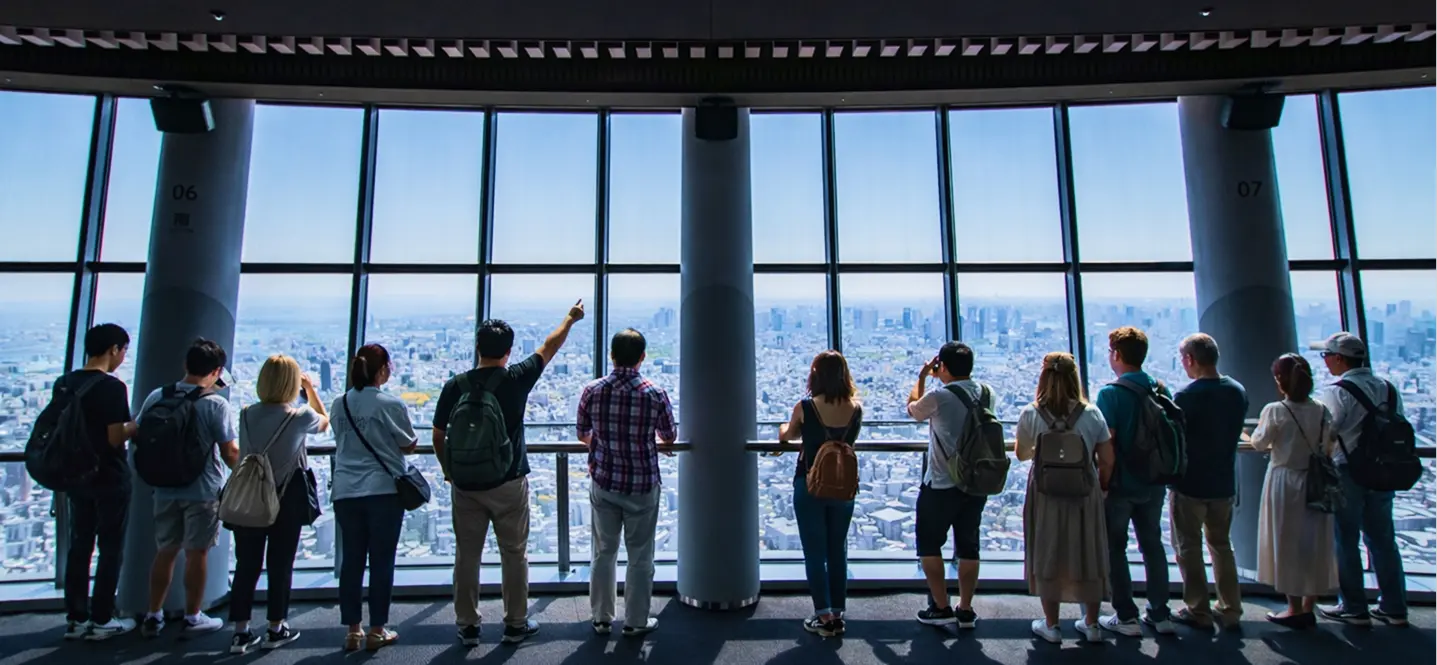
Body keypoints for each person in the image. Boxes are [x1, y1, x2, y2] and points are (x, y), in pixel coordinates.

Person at [433, 302, 585, 646]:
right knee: (514, 553)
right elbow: (549, 346)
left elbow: (439, 435)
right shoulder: (516, 378)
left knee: (467, 555)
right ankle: (515, 623)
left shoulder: (455, 386)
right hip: (509, 482)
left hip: (465, 485)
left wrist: (449, 470)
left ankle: (468, 625)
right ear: (509, 351)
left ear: (477, 347)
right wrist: (570, 318)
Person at [227, 354, 330, 654]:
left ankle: (240, 632)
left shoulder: (246, 413)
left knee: (246, 564)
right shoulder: (299, 416)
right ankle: (276, 627)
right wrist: (310, 390)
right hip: (287, 497)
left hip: (250, 495)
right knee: (280, 563)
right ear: (291, 383)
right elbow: (324, 423)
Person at [577, 328, 677, 638]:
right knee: (640, 556)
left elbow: (582, 433)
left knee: (603, 552)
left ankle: (601, 618)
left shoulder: (592, 390)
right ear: (642, 357)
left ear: (611, 355)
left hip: (604, 481)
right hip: (642, 483)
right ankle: (635, 621)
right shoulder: (655, 393)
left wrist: (605, 444)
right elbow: (669, 435)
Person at [139, 339, 239, 638]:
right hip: (202, 490)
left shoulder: (158, 395)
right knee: (198, 554)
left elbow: (141, 432)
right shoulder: (215, 404)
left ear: (186, 364)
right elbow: (229, 451)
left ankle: (153, 614)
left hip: (164, 487)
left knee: (165, 551)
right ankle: (193, 616)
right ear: (217, 371)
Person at [1017, 352, 1113, 644]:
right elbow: (1107, 458)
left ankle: (1052, 625)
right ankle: (1092, 623)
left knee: (1047, 549)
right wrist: (1102, 487)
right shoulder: (1092, 414)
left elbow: (1021, 453)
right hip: (1084, 490)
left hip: (1045, 492)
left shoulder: (1031, 413)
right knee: (1088, 547)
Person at [1315, 332, 1409, 627]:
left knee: (1346, 539)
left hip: (1348, 472)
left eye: (1326, 355)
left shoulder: (1337, 391)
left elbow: (1327, 432)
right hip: (1383, 471)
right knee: (1383, 540)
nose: (1325, 361)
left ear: (1339, 358)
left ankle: (1354, 606)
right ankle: (1394, 606)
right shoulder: (1388, 388)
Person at [330, 344, 418, 651]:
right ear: (381, 370)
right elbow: (408, 444)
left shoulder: (339, 403)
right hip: (382, 491)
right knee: (382, 561)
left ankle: (353, 630)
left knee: (351, 561)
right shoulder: (389, 404)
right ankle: (377, 629)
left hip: (345, 490)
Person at [58, 324, 139, 641]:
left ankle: (76, 617)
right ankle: (102, 618)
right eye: (123, 351)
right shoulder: (112, 387)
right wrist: (135, 426)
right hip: (109, 476)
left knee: (80, 545)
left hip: (76, 475)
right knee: (110, 548)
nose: (122, 357)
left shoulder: (65, 383)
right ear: (114, 349)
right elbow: (114, 436)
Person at [906, 341, 994, 628]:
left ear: (941, 366)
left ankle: (941, 606)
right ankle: (965, 608)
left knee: (929, 544)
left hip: (941, 483)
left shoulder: (939, 397)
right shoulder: (987, 393)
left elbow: (913, 410)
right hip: (976, 482)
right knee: (969, 545)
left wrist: (922, 377)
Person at [1093, 326, 1173, 636]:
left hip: (1121, 483)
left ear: (1116, 354)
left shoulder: (1110, 394)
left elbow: (1107, 445)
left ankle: (1126, 616)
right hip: (1155, 480)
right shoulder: (1160, 389)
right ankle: (1160, 613)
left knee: (1116, 547)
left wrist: (1103, 482)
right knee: (1152, 544)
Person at [777, 350, 862, 638]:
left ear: (815, 374)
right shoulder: (855, 409)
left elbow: (789, 435)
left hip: (810, 483)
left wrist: (782, 429)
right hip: (844, 486)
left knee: (814, 552)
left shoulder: (806, 406)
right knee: (838, 549)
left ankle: (823, 615)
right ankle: (837, 612)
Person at [1251, 353, 1338, 629]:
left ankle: (1293, 607)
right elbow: (1329, 446)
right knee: (1314, 542)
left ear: (1280, 380)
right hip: (1315, 482)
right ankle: (1309, 606)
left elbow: (1259, 443)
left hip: (1284, 481)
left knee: (1286, 541)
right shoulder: (1321, 409)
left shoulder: (1276, 410)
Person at [1169, 333, 1247, 629]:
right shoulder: (1237, 391)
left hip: (1190, 483)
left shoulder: (1186, 397)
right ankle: (1230, 608)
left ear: (1190, 359)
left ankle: (1198, 609)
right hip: (1223, 482)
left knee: (1188, 547)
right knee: (1222, 546)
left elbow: (1176, 439)